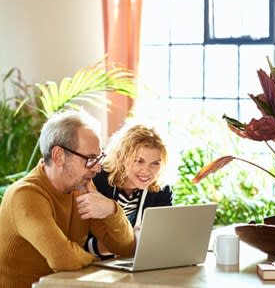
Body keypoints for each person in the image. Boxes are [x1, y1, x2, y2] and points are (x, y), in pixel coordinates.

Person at [0, 110, 135, 288]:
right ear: (58, 156)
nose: (97, 169)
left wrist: (112, 210)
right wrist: (94, 259)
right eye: (90, 159)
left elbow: (126, 249)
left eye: (98, 158)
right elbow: (63, 259)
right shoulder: (25, 195)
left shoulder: (81, 188)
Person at [85, 124, 172, 258]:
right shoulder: (97, 182)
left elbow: (163, 237)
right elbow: (83, 241)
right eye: (139, 161)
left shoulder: (161, 190)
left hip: (136, 262)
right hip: (97, 266)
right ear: (122, 157)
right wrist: (126, 246)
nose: (147, 171)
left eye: (155, 163)